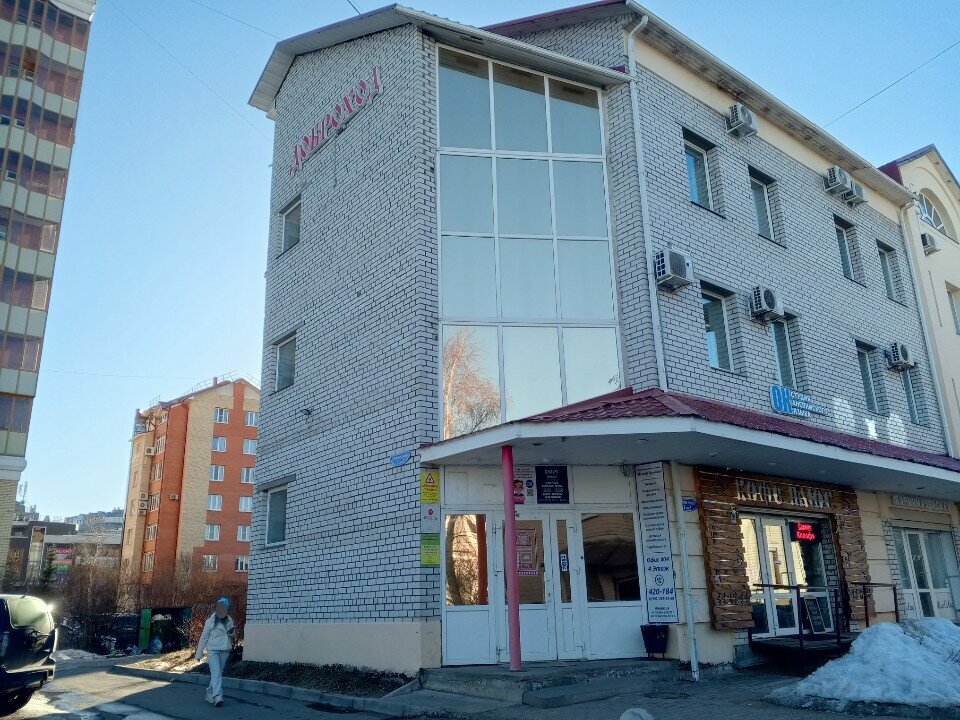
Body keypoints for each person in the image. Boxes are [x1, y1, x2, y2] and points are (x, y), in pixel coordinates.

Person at [195, 596, 236, 707]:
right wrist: (199, 653)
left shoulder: (229, 619)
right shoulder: (210, 621)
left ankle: (209, 693)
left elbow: (232, 634)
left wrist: (231, 632)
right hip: (212, 650)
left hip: (224, 650)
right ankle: (217, 696)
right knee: (216, 673)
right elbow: (204, 637)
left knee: (217, 674)